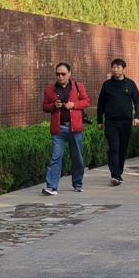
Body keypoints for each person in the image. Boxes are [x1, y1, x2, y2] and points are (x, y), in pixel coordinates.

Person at [41, 63, 91, 195]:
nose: (60, 76)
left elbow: (86, 101)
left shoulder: (78, 86)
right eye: (58, 74)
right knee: (55, 157)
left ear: (69, 74)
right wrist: (54, 105)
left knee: (77, 157)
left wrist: (73, 104)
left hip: (75, 128)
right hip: (58, 129)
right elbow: (45, 106)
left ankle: (77, 183)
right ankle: (51, 187)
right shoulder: (50, 90)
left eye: (63, 74)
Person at [97, 58, 139, 186]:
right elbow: (101, 103)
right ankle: (115, 175)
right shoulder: (107, 85)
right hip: (111, 122)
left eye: (118, 67)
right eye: (113, 67)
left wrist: (137, 117)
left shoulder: (130, 84)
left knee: (122, 148)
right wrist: (99, 120)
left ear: (123, 68)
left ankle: (119, 173)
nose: (115, 70)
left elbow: (137, 101)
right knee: (114, 148)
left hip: (126, 122)